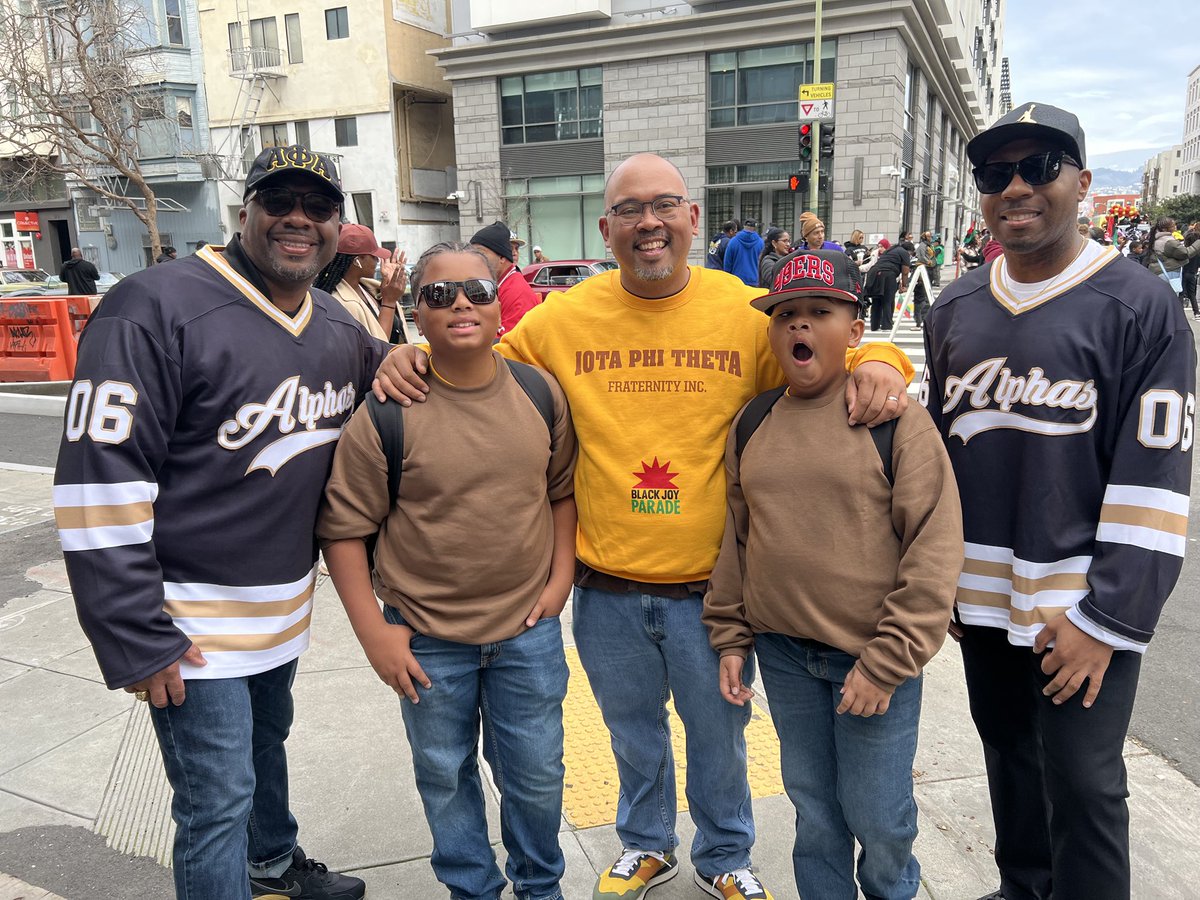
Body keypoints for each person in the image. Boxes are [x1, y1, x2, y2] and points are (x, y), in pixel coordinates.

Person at [375, 152, 914, 900]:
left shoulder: (740, 308)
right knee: (631, 735)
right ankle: (646, 843)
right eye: (630, 210)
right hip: (607, 587)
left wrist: (883, 356)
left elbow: (819, 350)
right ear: (607, 228)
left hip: (713, 591)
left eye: (664, 205)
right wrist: (406, 352)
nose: (648, 222)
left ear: (693, 219)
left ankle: (725, 854)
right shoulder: (562, 320)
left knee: (719, 739)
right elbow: (471, 360)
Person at [53, 145, 377, 899]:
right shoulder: (151, 305)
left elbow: (389, 375)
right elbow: (97, 486)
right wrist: (134, 635)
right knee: (214, 802)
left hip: (282, 609)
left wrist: (404, 360)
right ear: (246, 213)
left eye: (319, 207)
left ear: (337, 226)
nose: (299, 219)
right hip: (189, 623)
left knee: (267, 749)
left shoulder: (332, 321)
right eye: (279, 202)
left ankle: (272, 864)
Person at [923, 102, 1195, 900]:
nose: (1016, 188)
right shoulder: (955, 306)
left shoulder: (1138, 304)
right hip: (980, 600)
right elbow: (934, 460)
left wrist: (1107, 620)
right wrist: (935, 579)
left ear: (1080, 181)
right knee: (1007, 756)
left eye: (1038, 167)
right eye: (994, 173)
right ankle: (1023, 889)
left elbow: (1156, 481)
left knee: (1084, 784)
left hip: (1078, 609)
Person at [318, 241, 578, 900]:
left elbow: (561, 492)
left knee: (538, 774)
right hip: (428, 638)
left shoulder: (539, 393)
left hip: (527, 632)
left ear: (502, 305)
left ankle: (540, 887)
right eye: (438, 294)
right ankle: (472, 890)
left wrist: (559, 581)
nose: (459, 303)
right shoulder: (387, 410)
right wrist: (375, 634)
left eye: (476, 291)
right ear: (417, 312)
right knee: (444, 774)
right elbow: (344, 529)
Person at [704, 247, 962, 900]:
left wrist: (888, 660)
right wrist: (731, 636)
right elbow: (737, 538)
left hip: (870, 659)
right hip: (785, 656)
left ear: (853, 331)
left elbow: (933, 549)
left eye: (819, 312)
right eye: (785, 314)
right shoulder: (754, 421)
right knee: (815, 813)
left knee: (879, 817)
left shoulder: (896, 422)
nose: (799, 327)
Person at [314, 223, 408, 342]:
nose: (377, 260)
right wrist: (389, 300)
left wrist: (390, 286)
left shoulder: (365, 287)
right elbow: (377, 348)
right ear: (357, 260)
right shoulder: (344, 304)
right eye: (373, 256)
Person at [469, 220, 540, 335]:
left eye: (479, 253)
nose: (473, 259)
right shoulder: (495, 284)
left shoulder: (517, 292)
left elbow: (508, 345)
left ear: (502, 257)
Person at [865, 237, 910, 332]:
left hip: (874, 273)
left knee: (877, 300)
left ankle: (875, 326)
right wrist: (905, 285)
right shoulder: (904, 253)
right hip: (888, 274)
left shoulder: (890, 250)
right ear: (909, 251)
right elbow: (905, 271)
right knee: (888, 299)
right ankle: (886, 325)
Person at [723, 218, 764, 286]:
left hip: (736, 282)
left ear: (744, 227)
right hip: (754, 281)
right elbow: (762, 264)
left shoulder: (733, 241)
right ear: (755, 228)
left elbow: (727, 264)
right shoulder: (761, 243)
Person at [1182, 231, 1200, 320]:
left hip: (1183, 273)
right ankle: (1196, 312)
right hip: (1193, 274)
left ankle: (1180, 312)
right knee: (1192, 294)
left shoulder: (1184, 251)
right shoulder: (1198, 253)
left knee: (1181, 293)